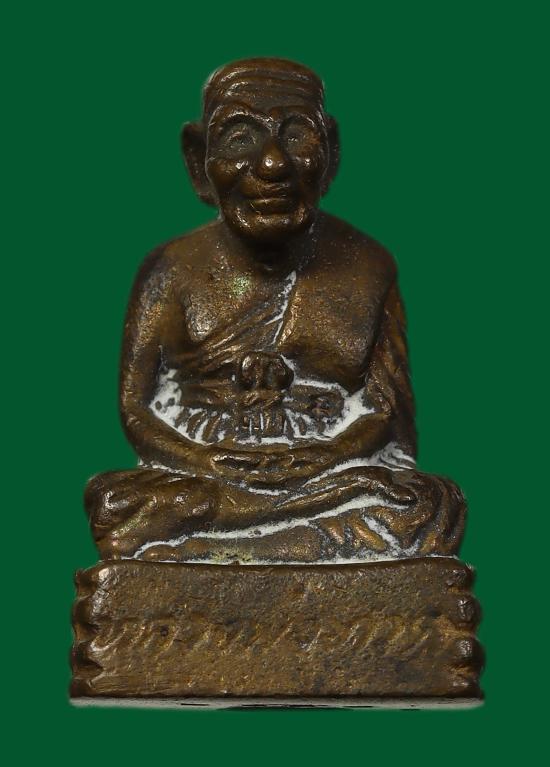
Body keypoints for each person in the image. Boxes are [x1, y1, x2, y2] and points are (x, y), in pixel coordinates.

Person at [85, 58, 465, 563]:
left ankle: (217, 551)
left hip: (329, 472)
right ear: (198, 159)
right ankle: (266, 543)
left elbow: (386, 411)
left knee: (424, 505)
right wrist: (205, 459)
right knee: (117, 502)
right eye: (240, 138)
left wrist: (326, 456)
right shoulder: (170, 271)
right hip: (207, 470)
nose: (271, 164)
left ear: (331, 153)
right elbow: (138, 407)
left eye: (297, 136)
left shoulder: (369, 267)